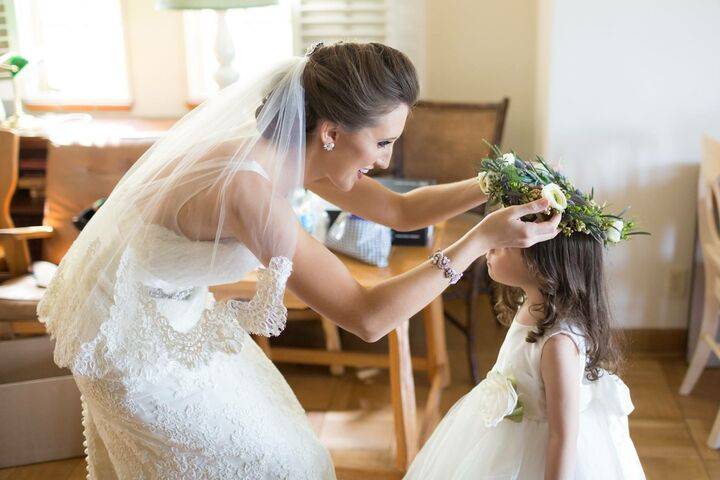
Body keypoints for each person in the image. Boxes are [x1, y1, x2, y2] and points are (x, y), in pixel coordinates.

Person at [37, 42, 559, 479]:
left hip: (172, 311)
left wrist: (493, 185)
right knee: (270, 463)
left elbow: (398, 210)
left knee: (294, 454)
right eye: (381, 142)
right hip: (125, 336)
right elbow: (366, 316)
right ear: (330, 132)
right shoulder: (251, 193)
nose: (385, 160)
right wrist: (475, 241)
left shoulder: (289, 146)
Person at [404, 154, 646, 479]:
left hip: (536, 455)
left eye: (502, 243)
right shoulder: (531, 303)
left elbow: (563, 436)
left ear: (540, 259)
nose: (490, 248)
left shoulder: (559, 344)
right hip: (503, 440)